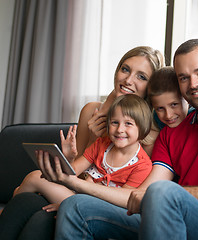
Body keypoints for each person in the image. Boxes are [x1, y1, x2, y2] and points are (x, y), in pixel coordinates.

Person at [39, 39, 198, 240]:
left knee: (163, 192)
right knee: (76, 208)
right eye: (184, 77)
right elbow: (140, 194)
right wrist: (74, 183)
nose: (193, 83)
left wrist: (166, 196)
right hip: (174, 224)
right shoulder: (172, 133)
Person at [0, 45, 164, 240]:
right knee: (24, 202)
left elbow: (129, 198)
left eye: (141, 76)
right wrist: (77, 151)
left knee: (38, 218)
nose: (128, 80)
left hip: (100, 205)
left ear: (150, 87)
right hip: (74, 190)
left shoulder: (149, 135)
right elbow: (77, 169)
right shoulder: (92, 112)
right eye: (125, 69)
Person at [10, 94, 152, 213]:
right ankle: (13, 205)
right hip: (77, 196)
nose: (120, 129)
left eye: (128, 124)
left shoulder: (143, 165)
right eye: (115, 122)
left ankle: (12, 205)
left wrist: (67, 205)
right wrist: (68, 158)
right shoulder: (102, 144)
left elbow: (120, 204)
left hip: (101, 208)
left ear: (143, 128)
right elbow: (72, 174)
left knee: (33, 180)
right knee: (34, 177)